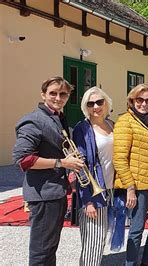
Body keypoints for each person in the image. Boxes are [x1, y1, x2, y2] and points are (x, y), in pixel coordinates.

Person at [12, 76, 84, 265]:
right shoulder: (34, 120)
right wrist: (62, 163)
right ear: (43, 95)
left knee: (50, 247)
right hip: (43, 194)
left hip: (55, 192)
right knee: (41, 252)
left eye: (63, 94)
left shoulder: (57, 118)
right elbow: (23, 159)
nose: (58, 98)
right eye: (53, 93)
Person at [113, 84, 148, 266]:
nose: (144, 104)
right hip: (136, 184)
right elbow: (119, 158)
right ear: (132, 100)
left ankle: (146, 261)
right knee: (136, 228)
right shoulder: (125, 121)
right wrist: (129, 188)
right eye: (140, 100)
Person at [72, 87, 114, 266]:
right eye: (91, 103)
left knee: (100, 239)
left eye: (99, 102)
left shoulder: (112, 124)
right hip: (93, 190)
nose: (96, 106)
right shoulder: (82, 129)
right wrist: (87, 200)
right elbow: (79, 166)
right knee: (93, 242)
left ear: (106, 103)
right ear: (86, 107)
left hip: (111, 188)